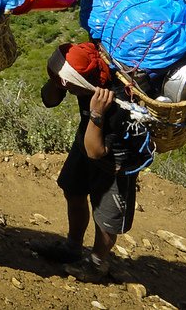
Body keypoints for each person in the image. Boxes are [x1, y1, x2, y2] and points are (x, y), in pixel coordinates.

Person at [33, 41, 153, 279]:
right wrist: (58, 79)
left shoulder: (119, 99)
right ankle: (72, 247)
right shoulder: (87, 79)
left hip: (116, 158)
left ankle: (98, 262)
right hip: (85, 141)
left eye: (67, 81)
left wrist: (97, 113)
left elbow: (96, 152)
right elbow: (49, 100)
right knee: (73, 191)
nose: (65, 84)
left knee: (106, 216)